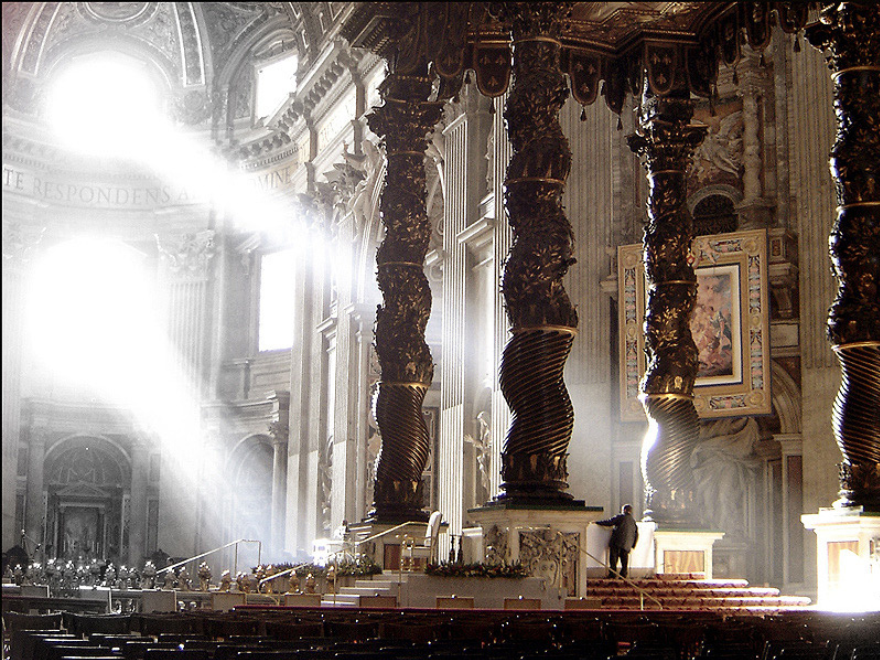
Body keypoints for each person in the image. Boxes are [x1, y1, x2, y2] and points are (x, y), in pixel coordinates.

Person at [596, 504, 639, 579]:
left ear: (624, 510)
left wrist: (597, 522)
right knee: (624, 559)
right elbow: (636, 534)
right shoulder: (633, 521)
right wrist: (633, 545)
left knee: (613, 558)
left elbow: (609, 522)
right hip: (627, 543)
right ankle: (623, 574)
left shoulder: (621, 517)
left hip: (617, 541)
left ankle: (613, 574)